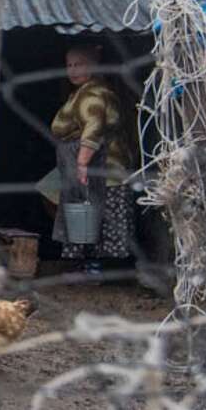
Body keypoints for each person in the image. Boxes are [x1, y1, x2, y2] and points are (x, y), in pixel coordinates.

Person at [42, 42, 137, 274]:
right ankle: (89, 261)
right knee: (58, 196)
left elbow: (93, 129)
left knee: (94, 214)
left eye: (80, 64)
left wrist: (83, 163)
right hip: (88, 164)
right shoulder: (84, 91)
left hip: (100, 165)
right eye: (69, 65)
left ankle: (96, 264)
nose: (73, 70)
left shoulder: (93, 95)